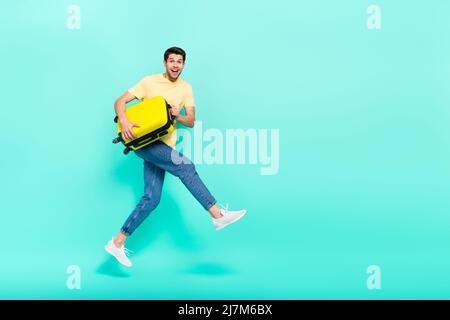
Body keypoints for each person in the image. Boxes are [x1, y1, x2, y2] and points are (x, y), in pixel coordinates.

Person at [105, 47, 247, 267]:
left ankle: (117, 242)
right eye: (171, 61)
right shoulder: (149, 82)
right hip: (145, 142)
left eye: (179, 62)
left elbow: (190, 120)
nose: (175, 65)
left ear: (183, 65)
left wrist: (175, 114)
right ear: (164, 62)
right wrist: (123, 121)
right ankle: (217, 215)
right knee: (185, 167)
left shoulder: (186, 88)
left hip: (163, 143)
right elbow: (119, 102)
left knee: (151, 199)